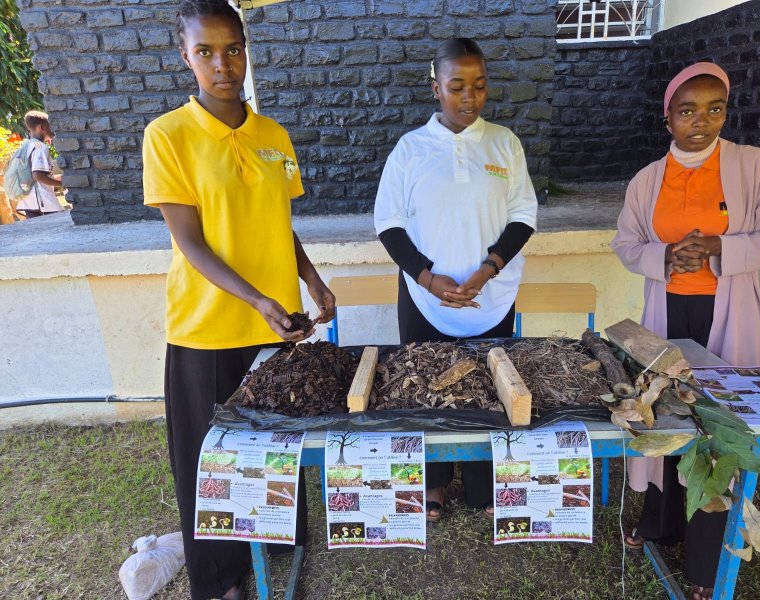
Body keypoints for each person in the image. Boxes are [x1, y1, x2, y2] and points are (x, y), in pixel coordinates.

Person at [141, 2, 335, 598]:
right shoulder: (168, 135)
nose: (222, 64)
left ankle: (276, 541)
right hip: (207, 326)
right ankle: (220, 579)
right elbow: (190, 243)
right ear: (185, 56)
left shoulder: (273, 135)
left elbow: (278, 222)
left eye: (232, 49)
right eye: (205, 51)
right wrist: (256, 298)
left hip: (276, 322)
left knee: (275, 441)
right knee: (209, 459)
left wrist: (311, 279)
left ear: (246, 52)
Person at [611, 62, 760, 600]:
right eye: (688, 111)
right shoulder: (648, 179)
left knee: (716, 429)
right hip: (666, 313)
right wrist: (665, 255)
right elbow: (627, 244)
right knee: (664, 415)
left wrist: (720, 247)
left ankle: (703, 557)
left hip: (729, 314)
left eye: (715, 109)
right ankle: (660, 522)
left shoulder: (753, 166)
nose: (702, 122)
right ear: (667, 117)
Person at [374, 38, 538, 523]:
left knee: (489, 386)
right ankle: (435, 482)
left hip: (491, 293)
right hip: (425, 297)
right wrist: (428, 278)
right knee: (426, 387)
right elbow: (389, 224)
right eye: (457, 86)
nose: (470, 97)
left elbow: (523, 215)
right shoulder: (410, 149)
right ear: (435, 88)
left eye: (479, 85)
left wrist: (488, 270)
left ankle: (484, 484)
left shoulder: (504, 143)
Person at [15, 111, 64, 218]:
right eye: (51, 126)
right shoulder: (40, 147)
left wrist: (61, 178)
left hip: (29, 203)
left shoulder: (26, 146)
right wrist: (62, 183)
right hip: (43, 203)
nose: (53, 130)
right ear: (42, 127)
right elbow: (37, 176)